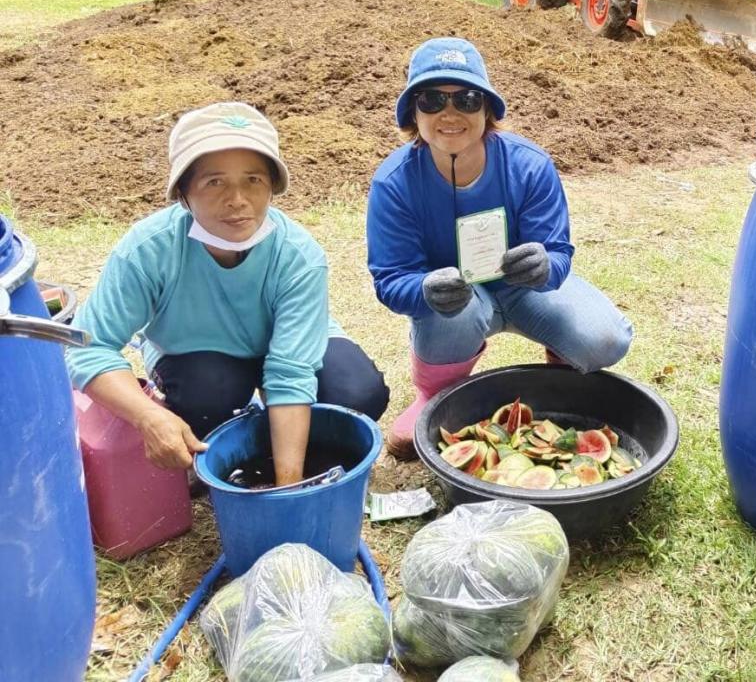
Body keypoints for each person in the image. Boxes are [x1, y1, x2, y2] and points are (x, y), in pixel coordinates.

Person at [67, 103, 390, 485]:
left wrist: (289, 489)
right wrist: (149, 416)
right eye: (214, 182)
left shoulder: (299, 256)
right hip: (197, 357)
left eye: (253, 179)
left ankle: (286, 465)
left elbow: (290, 374)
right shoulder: (148, 249)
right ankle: (223, 447)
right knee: (209, 395)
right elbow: (88, 346)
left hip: (289, 348)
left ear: (272, 185)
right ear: (183, 192)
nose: (237, 199)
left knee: (356, 391)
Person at [367, 37, 634, 459]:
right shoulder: (393, 184)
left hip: (526, 290)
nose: (450, 113)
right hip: (457, 304)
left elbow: (559, 251)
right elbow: (389, 280)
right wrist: (424, 290)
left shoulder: (530, 165)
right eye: (432, 100)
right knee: (447, 310)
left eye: (468, 99)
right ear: (412, 113)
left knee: (605, 338)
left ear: (488, 109)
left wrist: (545, 266)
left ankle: (561, 370)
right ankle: (433, 397)